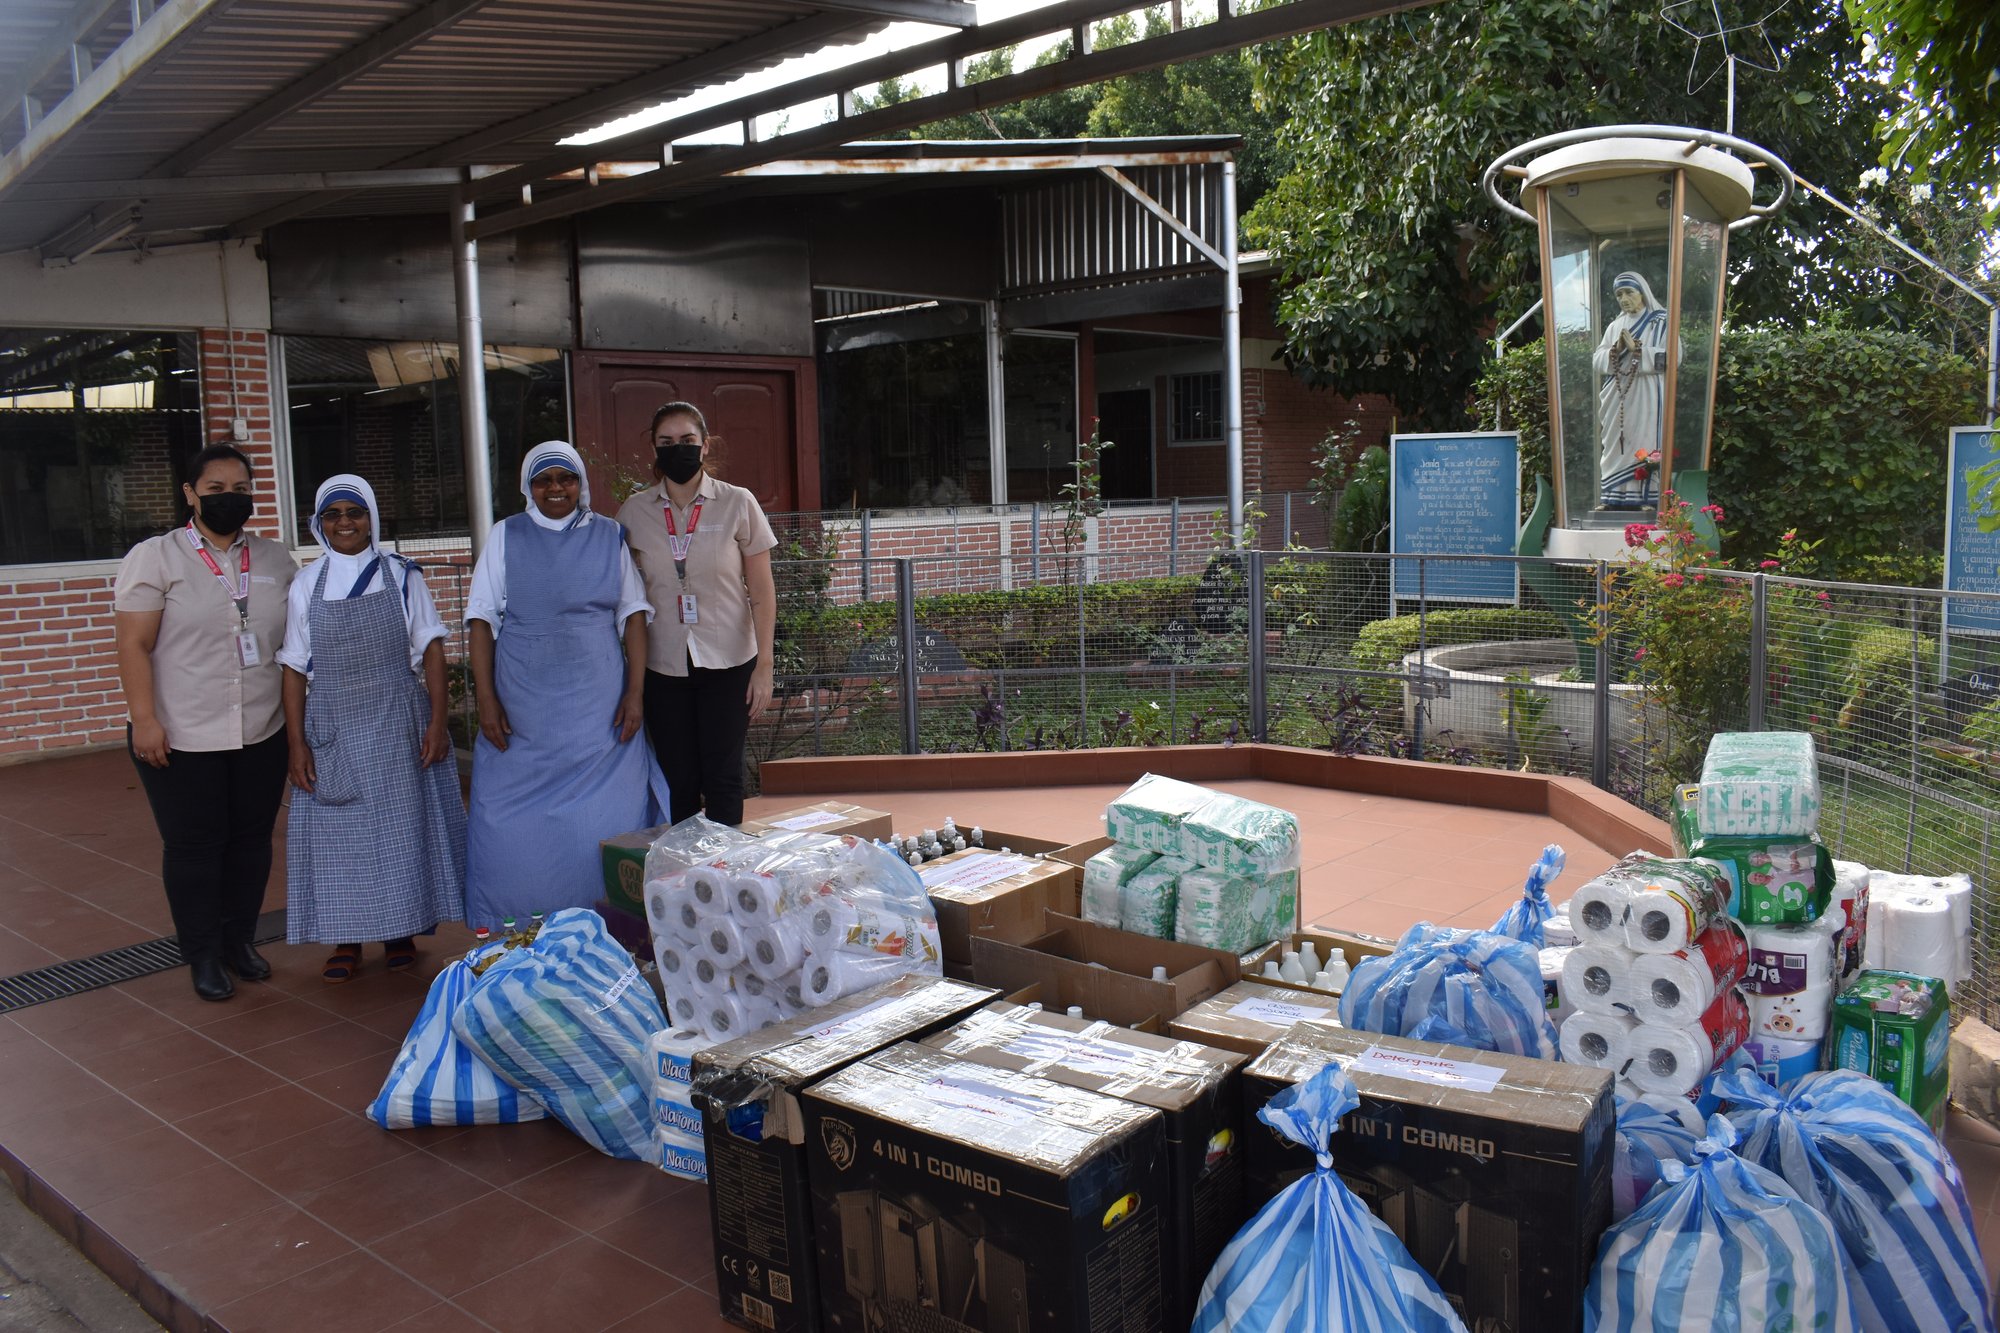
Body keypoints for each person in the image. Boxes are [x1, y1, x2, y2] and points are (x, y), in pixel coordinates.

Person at [114, 445, 297, 1001]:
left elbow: (296, 644)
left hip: (261, 730)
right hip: (182, 734)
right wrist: (144, 720)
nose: (229, 498)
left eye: (240, 487)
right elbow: (133, 643)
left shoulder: (274, 560)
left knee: (249, 842)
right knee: (195, 849)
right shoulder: (157, 557)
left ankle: (239, 941)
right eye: (215, 489)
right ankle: (202, 955)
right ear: (190, 494)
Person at [464, 440, 667, 925]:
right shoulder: (505, 535)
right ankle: (516, 926)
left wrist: (635, 693)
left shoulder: (608, 536)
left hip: (599, 713)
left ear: (581, 484)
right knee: (506, 824)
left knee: (601, 822)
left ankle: (605, 926)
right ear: (527, 487)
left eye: (565, 478)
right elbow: (480, 620)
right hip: (523, 711)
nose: (555, 488)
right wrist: (486, 699)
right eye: (543, 479)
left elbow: (633, 617)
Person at [278, 474, 465, 982]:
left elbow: (430, 647)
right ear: (318, 524)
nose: (345, 523)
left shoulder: (403, 576)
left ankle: (400, 931)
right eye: (333, 514)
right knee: (341, 837)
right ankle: (347, 939)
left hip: (396, 718)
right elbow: (294, 666)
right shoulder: (306, 584)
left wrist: (436, 720)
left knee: (399, 831)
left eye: (354, 512)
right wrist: (296, 743)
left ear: (371, 518)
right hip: (333, 722)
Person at [616, 402, 776, 827]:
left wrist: (765, 665)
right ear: (654, 448)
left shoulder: (737, 503)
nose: (678, 449)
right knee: (679, 779)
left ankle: (725, 877)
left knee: (723, 778)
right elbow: (624, 594)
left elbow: (761, 591)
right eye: (666, 442)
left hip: (729, 660)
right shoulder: (634, 512)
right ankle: (687, 879)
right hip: (663, 664)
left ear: (705, 446)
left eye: (687, 441)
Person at [1593, 270, 1672, 510]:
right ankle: (1612, 497)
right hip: (1617, 394)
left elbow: (1672, 357)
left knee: (1643, 439)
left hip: (1646, 392)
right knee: (1616, 441)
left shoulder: (1661, 321)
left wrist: (1639, 350)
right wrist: (1615, 350)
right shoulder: (1615, 325)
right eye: (1619, 294)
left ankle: (1646, 499)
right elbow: (1597, 360)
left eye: (1629, 292)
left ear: (1642, 293)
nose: (1624, 298)